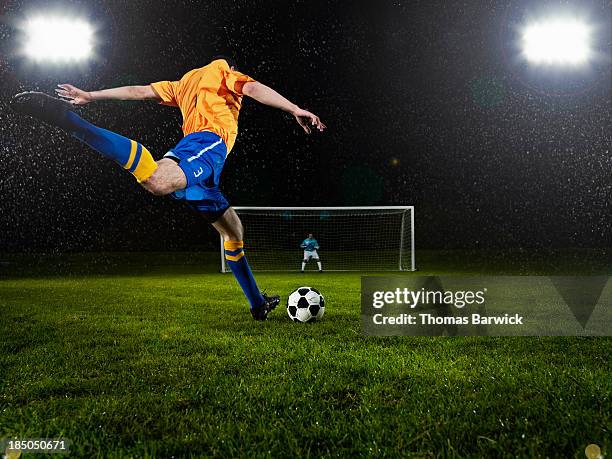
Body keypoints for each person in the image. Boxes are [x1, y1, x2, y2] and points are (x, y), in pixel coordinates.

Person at [10, 55, 326, 320]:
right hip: (207, 143)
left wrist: (92, 95)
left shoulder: (181, 84)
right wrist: (294, 108)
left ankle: (258, 305)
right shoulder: (222, 73)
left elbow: (139, 91)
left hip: (205, 170)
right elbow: (255, 88)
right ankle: (69, 121)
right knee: (157, 181)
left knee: (233, 232)